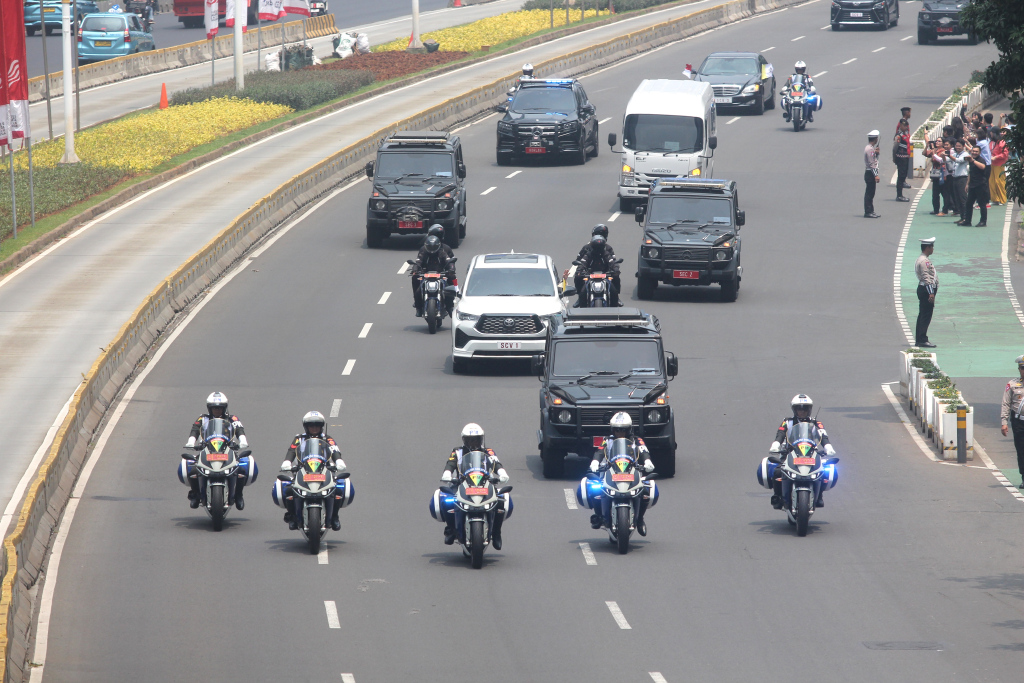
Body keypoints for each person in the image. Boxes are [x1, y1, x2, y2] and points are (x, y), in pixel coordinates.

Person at [440, 424, 509, 548]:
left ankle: (496, 532)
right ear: (464, 440)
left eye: (477, 439)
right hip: (461, 483)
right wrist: (447, 474)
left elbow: (496, 462)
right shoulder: (457, 451)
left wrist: (502, 473)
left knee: (502, 499)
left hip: (483, 483)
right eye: (470, 439)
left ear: (481, 439)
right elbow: (450, 463)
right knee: (445, 499)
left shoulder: (488, 451)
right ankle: (450, 529)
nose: (474, 442)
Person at [588, 412, 655, 534]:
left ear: (629, 429)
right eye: (617, 430)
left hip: (632, 471)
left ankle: (640, 519)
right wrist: (595, 462)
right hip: (610, 471)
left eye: (623, 430)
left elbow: (643, 450)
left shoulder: (636, 440)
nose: (620, 433)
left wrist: (647, 460)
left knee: (646, 490)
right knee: (594, 489)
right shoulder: (607, 440)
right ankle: (598, 516)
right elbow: (599, 451)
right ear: (613, 430)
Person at [281, 411, 347, 530]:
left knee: (338, 490)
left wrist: (339, 461)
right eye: (311, 425)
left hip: (324, 470)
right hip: (303, 470)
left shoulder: (327, 438)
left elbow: (335, 450)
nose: (314, 428)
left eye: (317, 425)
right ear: (306, 427)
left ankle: (335, 517)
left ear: (321, 427)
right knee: (289, 491)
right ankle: (293, 517)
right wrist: (287, 462)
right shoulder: (299, 439)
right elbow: (292, 450)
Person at [768, 395, 836, 508]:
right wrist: (776, 444)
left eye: (805, 409)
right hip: (790, 453)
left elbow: (823, 435)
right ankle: (778, 496)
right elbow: (780, 433)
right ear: (794, 410)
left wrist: (828, 447)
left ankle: (819, 496)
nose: (802, 411)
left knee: (824, 471)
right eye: (799, 409)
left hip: (810, 454)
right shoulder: (787, 421)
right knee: (778, 471)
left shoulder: (816, 423)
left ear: (809, 410)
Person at [184, 392, 249, 509]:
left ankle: (239, 495)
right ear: (209, 408)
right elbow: (195, 429)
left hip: (227, 450)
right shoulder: (203, 418)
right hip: (207, 450)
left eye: (219, 408)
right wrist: (191, 441)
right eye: (214, 408)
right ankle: (196, 495)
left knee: (243, 468)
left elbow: (239, 429)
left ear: (224, 408)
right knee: (191, 469)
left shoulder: (232, 418)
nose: (217, 410)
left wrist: (243, 440)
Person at [410, 235, 456, 317]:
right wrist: (415, 270)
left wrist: (451, 269)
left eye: (434, 247)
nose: (432, 249)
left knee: (449, 287)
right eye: (429, 247)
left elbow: (449, 261)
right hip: (426, 274)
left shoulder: (442, 252)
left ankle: (449, 306)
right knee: (417, 288)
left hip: (440, 274)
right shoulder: (423, 252)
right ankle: (418, 307)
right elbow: (418, 261)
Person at [574, 233, 620, 307]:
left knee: (614, 291)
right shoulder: (588, 254)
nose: (598, 250)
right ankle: (579, 300)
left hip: (605, 276)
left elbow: (612, 262)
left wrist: (615, 270)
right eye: (596, 247)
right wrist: (579, 271)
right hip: (590, 276)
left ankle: (616, 301)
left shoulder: (606, 254)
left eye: (600, 247)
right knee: (582, 291)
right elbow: (582, 263)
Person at [1000, 357, 1024, 490]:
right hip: (1019, 422)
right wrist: (1004, 422)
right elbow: (1005, 403)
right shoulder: (1012, 384)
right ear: (1019, 369)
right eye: (1023, 368)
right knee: (1021, 450)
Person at [957, 146, 989, 227]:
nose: (974, 153)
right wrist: (967, 184)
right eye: (973, 151)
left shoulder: (980, 160)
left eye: (976, 151)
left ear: (979, 152)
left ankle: (983, 221)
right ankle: (968, 221)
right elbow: (970, 173)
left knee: (982, 204)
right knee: (969, 203)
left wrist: (973, 160)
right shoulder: (970, 161)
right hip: (972, 185)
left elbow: (983, 167)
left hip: (980, 185)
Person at [915, 237, 938, 348]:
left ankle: (920, 338)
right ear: (927, 248)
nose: (933, 249)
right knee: (925, 316)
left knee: (922, 315)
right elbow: (926, 278)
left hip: (924, 289)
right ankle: (922, 339)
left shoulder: (922, 259)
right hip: (926, 290)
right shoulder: (924, 261)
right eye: (932, 246)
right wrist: (931, 293)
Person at [949, 140, 970, 218]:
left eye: (959, 146)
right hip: (955, 178)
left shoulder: (966, 155)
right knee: (957, 199)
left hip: (962, 179)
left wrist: (949, 156)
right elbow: (946, 160)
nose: (957, 147)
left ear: (963, 146)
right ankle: (962, 217)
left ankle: (966, 217)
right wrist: (944, 156)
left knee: (963, 199)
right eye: (956, 146)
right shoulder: (955, 154)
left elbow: (958, 161)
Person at [926, 141, 947, 216]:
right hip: (935, 175)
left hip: (942, 175)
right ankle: (936, 209)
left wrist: (933, 154)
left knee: (945, 194)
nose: (937, 142)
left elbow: (938, 160)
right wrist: (927, 146)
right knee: (935, 194)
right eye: (936, 141)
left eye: (939, 141)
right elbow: (925, 153)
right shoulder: (934, 150)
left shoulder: (943, 152)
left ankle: (947, 208)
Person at [893, 119, 911, 201]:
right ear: (901, 126)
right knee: (900, 176)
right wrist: (894, 158)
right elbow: (895, 148)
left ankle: (900, 194)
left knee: (903, 176)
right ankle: (899, 195)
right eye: (904, 126)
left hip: (905, 157)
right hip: (900, 158)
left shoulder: (905, 134)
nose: (906, 127)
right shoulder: (898, 136)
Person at [864, 130, 881, 218]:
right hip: (870, 173)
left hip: (870, 172)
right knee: (869, 193)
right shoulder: (870, 149)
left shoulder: (870, 148)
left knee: (871, 193)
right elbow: (872, 164)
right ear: (875, 139)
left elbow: (874, 160)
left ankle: (871, 210)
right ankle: (868, 211)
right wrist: (876, 175)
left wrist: (876, 153)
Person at [989, 128, 1008, 205]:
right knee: (992, 182)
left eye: (991, 133)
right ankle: (995, 199)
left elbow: (1005, 154)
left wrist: (996, 157)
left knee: (999, 181)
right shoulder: (993, 142)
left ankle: (1002, 199)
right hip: (992, 164)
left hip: (999, 164)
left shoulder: (1002, 142)